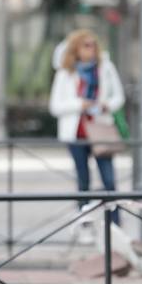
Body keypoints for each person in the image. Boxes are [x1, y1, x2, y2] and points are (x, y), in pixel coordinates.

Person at [49, 28, 125, 237]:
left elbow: (119, 97)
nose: (91, 49)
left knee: (109, 181)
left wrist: (105, 105)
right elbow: (55, 106)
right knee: (83, 182)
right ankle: (84, 225)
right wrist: (78, 104)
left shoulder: (106, 68)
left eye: (93, 45)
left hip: (100, 129)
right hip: (77, 133)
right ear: (76, 49)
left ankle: (115, 227)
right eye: (86, 45)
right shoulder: (65, 73)